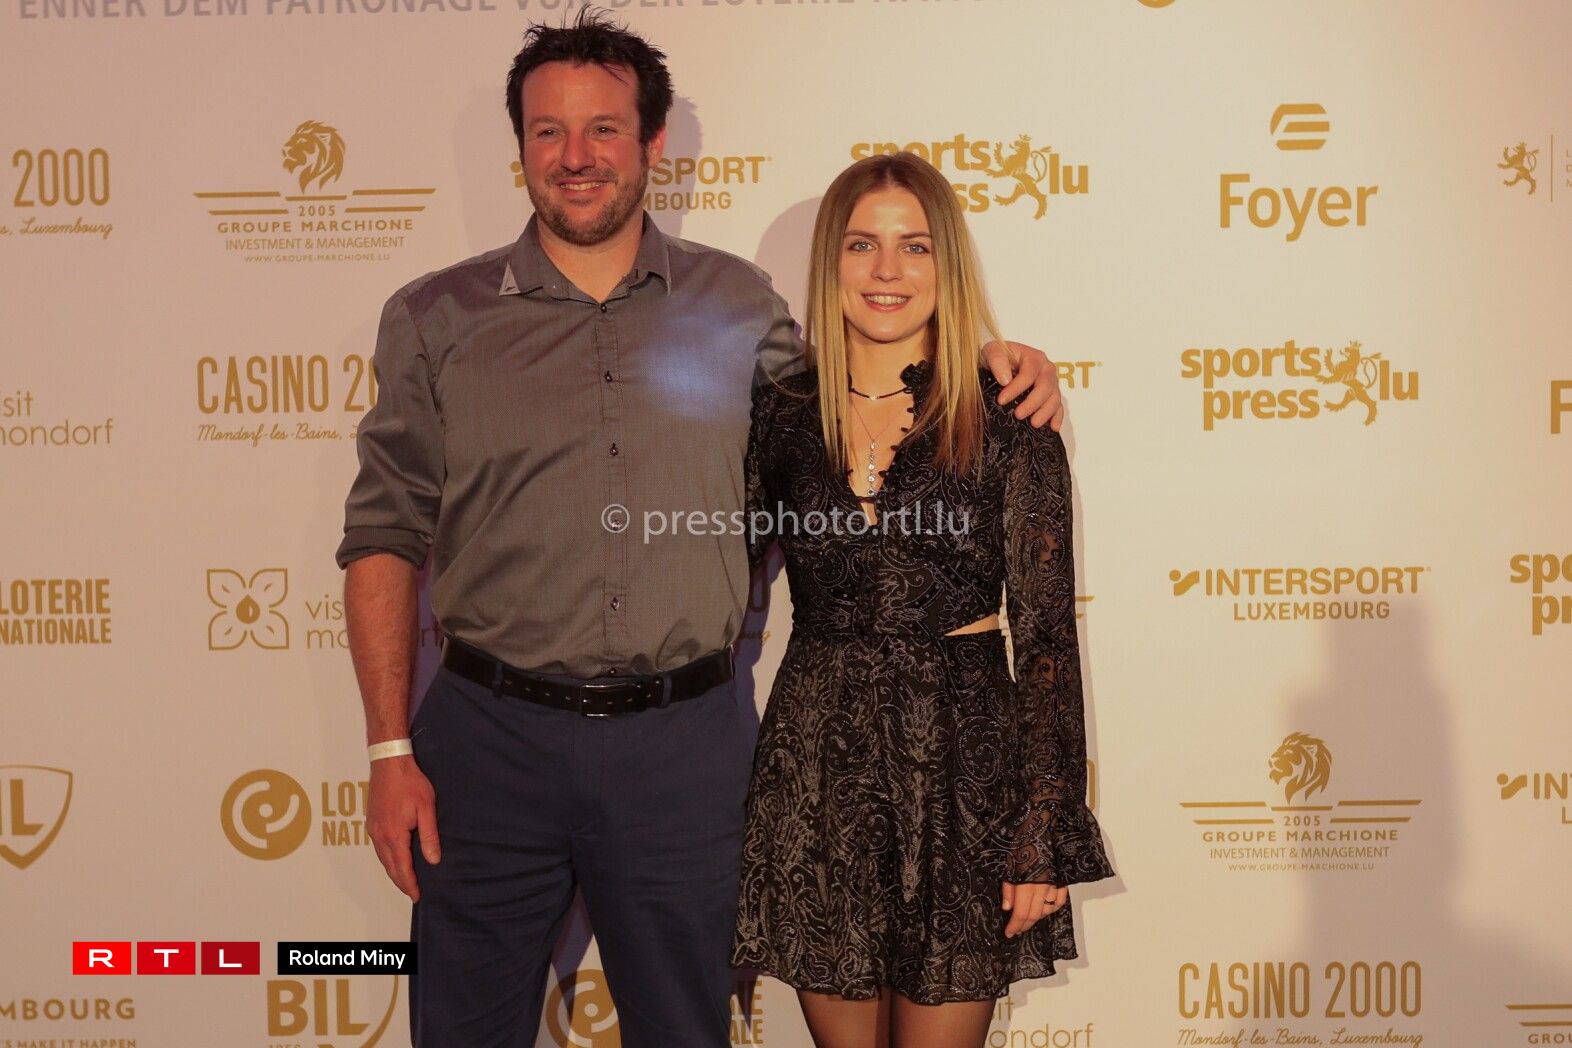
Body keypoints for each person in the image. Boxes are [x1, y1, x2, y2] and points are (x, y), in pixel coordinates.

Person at [335, 10, 1066, 1048]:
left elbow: (857, 392)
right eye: (549, 131)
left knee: (686, 1030)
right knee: (460, 1028)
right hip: (487, 746)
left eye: (603, 129)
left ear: (652, 142)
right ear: (520, 147)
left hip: (683, 749)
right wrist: (388, 747)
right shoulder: (434, 318)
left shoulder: (740, 305)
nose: (577, 156)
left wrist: (992, 356)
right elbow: (383, 536)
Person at [732, 152, 1116, 1048]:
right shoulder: (780, 414)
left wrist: (1043, 824)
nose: (887, 270)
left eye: (914, 246)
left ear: (947, 263)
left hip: (964, 773)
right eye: (861, 244)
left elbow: (1046, 638)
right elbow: (711, 573)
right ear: (831, 261)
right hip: (818, 772)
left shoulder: (1008, 414)